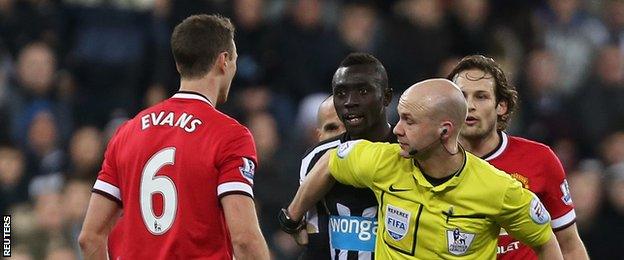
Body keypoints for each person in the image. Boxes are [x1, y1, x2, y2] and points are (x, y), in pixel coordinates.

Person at [280, 78, 564, 259]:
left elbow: (545, 240)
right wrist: (292, 217)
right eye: (399, 118)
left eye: (410, 121)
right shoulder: (384, 161)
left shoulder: (498, 189)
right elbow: (331, 161)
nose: (398, 129)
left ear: (444, 130)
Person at [78, 14, 270, 260]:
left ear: (179, 65)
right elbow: (244, 240)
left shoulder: (127, 132)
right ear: (224, 61)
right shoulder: (230, 136)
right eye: (235, 60)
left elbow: (89, 237)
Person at [447, 55, 588, 260]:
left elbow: (569, 245)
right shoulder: (434, 161)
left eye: (481, 96)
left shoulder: (540, 159)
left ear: (501, 106)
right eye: (462, 96)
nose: (470, 105)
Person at [296, 53, 395, 260]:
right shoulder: (316, 157)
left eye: (363, 91)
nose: (350, 102)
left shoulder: (409, 153)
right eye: (341, 93)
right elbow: (313, 240)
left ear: (386, 97)